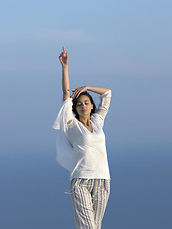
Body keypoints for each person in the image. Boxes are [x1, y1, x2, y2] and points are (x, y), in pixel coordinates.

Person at [53, 46, 112, 229]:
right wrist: (65, 67)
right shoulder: (72, 124)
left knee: (96, 225)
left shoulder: (97, 122)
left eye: (86, 103)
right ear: (75, 108)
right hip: (81, 181)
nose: (83, 106)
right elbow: (65, 95)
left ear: (91, 106)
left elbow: (107, 93)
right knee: (88, 227)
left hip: (103, 179)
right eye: (79, 104)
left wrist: (87, 87)